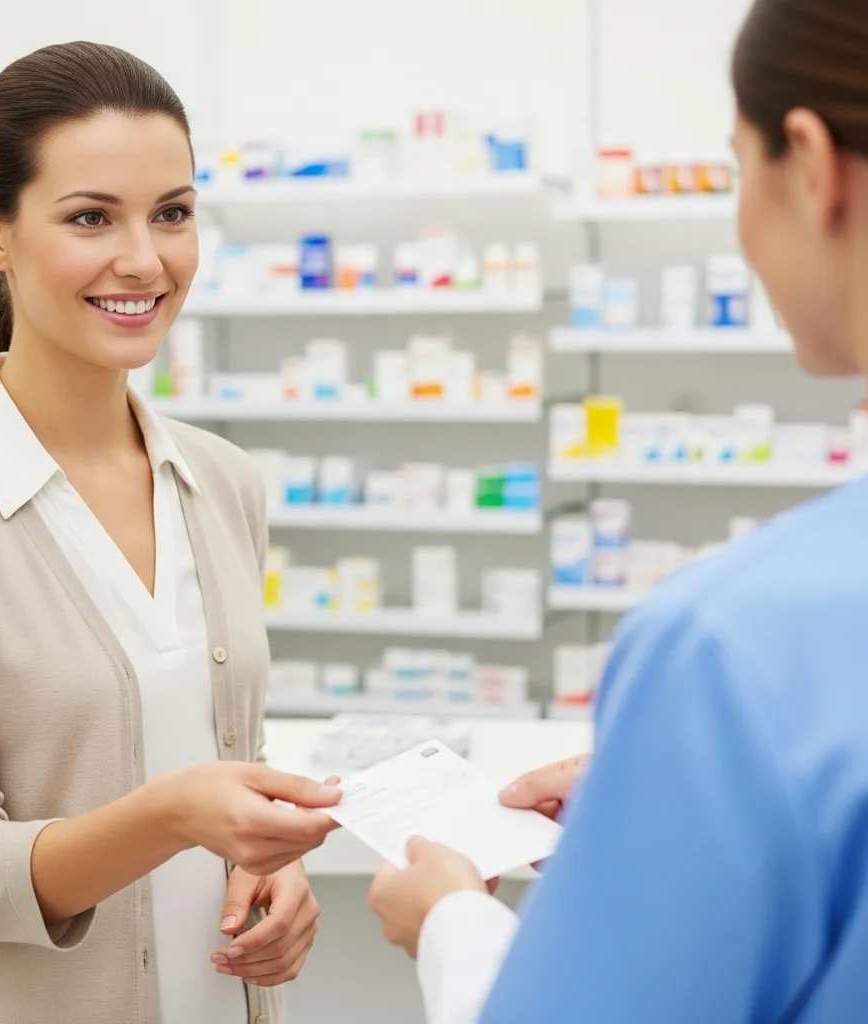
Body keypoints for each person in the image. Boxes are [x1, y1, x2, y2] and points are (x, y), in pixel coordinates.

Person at [369, 0, 868, 1020]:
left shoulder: (728, 648)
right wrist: (691, 802)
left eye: (739, 167)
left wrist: (454, 925)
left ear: (810, 165)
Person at [0, 42, 343, 1024]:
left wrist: (269, 868)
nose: (144, 260)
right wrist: (171, 814)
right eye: (89, 218)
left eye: (172, 212)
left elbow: (223, 752)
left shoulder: (221, 481)